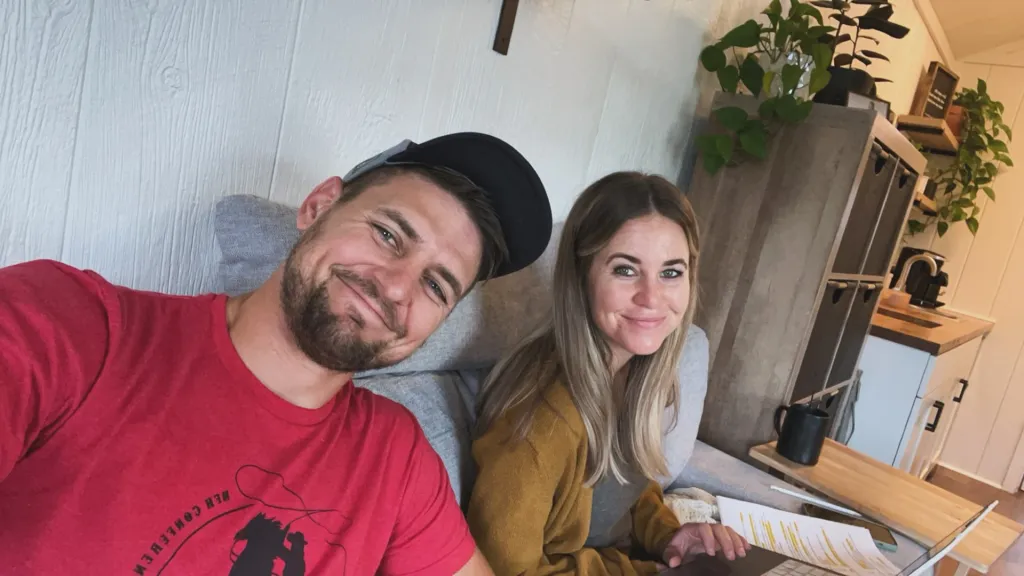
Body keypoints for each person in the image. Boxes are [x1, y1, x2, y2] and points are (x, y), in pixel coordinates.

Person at [0, 133, 552, 575]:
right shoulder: (74, 325)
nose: (396, 288)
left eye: (436, 286)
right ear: (318, 206)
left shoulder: (396, 455)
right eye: (387, 234)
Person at [468, 171, 750, 575]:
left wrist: (670, 537)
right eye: (625, 269)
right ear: (581, 277)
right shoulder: (538, 421)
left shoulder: (631, 373)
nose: (651, 297)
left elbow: (623, 488)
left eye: (671, 272)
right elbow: (506, 571)